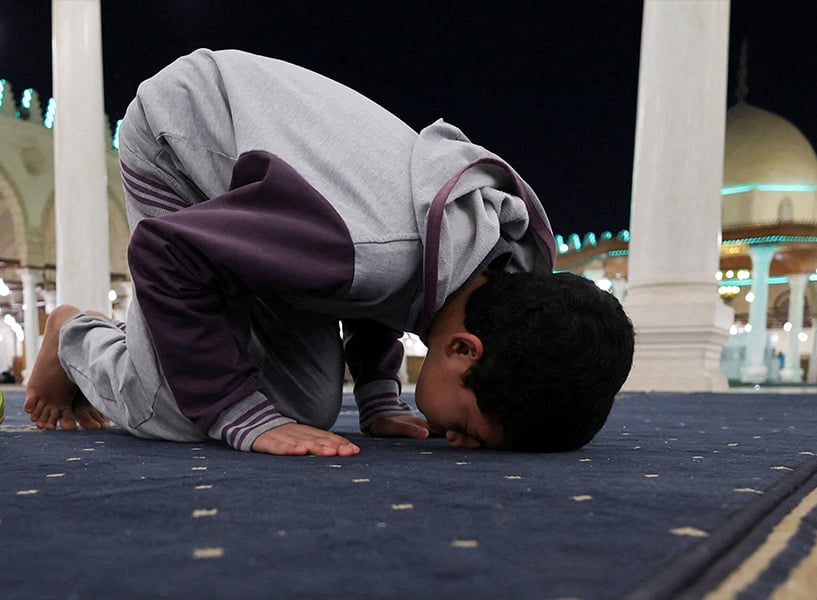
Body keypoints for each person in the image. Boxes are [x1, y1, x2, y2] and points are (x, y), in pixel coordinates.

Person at [24, 49, 634, 456]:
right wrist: (234, 412)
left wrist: (377, 394)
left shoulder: (492, 265)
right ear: (462, 349)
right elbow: (166, 251)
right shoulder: (366, 248)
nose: (458, 440)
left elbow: (393, 287)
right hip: (180, 140)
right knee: (181, 408)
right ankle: (77, 336)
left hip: (290, 199)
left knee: (307, 406)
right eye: (471, 427)